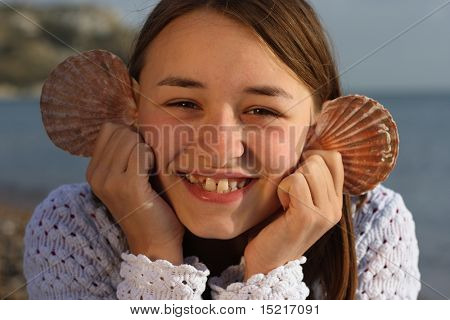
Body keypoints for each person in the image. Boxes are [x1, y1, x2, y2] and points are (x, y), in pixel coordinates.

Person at [23, 0, 421, 299]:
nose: (218, 145)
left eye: (262, 110)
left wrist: (272, 269)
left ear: (326, 129)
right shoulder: (73, 226)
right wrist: (154, 253)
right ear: (127, 108)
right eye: (183, 103)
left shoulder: (374, 230)